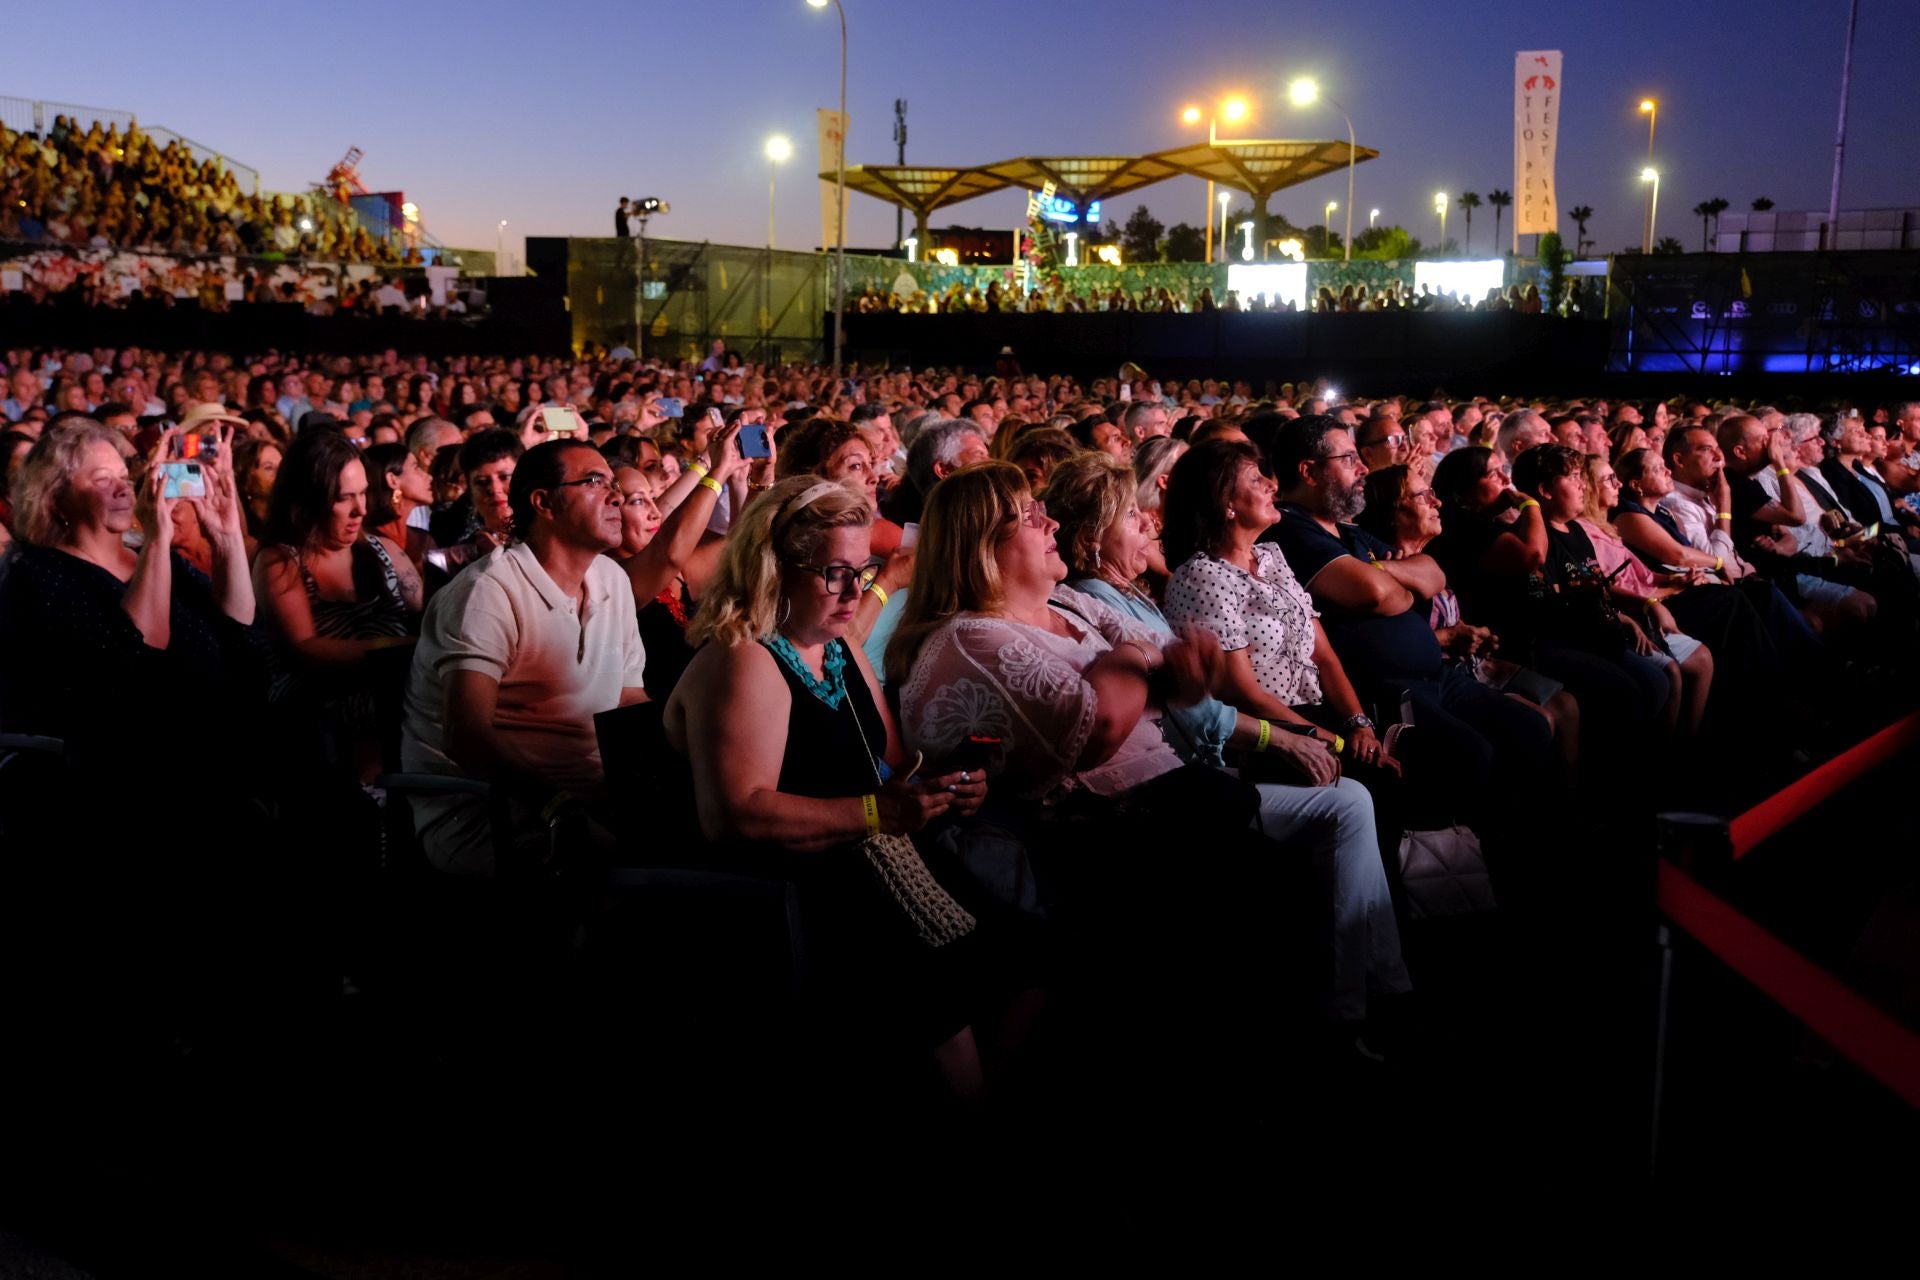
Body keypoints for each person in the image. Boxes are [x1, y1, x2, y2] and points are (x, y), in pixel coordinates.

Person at [664, 476, 1009, 1097]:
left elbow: (893, 761)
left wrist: (944, 784)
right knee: (925, 958)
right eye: (835, 574)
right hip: (781, 884)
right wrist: (878, 812)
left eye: (864, 570)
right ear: (775, 569)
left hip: (859, 852)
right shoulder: (745, 658)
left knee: (1009, 912)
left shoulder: (838, 642)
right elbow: (739, 816)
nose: (856, 592)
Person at [1041, 451, 1407, 1023]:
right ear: (1092, 537)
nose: (1150, 524)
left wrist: (1353, 724)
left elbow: (1318, 655)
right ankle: (1356, 996)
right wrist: (1302, 739)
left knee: (1364, 793)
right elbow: (1202, 708)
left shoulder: (1134, 591)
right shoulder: (1104, 599)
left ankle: (1376, 982)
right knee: (1355, 797)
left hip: (1211, 754)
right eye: (1134, 519)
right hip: (1184, 771)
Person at [1264, 416, 1554, 816]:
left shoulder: (1347, 534)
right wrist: (1386, 579)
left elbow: (1433, 574)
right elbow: (1375, 595)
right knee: (1474, 756)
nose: (1362, 468)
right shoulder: (1292, 531)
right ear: (1309, 471)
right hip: (1386, 690)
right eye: (1348, 459)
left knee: (1531, 728)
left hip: (1436, 677)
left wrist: (1378, 572)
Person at [401, 439, 647, 877]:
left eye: (613, 483)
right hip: (489, 810)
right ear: (544, 503)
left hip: (593, 795)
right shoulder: (488, 592)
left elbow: (628, 699)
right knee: (631, 874)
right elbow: (467, 736)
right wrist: (558, 803)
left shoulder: (612, 580)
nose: (616, 496)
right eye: (594, 482)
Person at [0, 420, 262, 767]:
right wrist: (156, 537)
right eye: (102, 480)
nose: (123, 489)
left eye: (124, 477)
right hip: (133, 767)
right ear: (56, 500)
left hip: (222, 745)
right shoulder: (37, 573)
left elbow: (239, 622)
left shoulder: (154, 558)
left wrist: (227, 534)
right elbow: (139, 662)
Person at [1160, 438, 1400, 773]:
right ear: (1226, 503)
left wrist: (1358, 724)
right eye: (1257, 480)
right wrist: (1339, 743)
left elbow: (1324, 656)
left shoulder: (1270, 556)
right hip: (1275, 734)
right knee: (1380, 780)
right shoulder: (1203, 577)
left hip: (1319, 715)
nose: (1273, 485)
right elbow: (1245, 694)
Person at [252, 431, 423, 779]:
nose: (361, 509)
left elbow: (427, 615)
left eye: (363, 493)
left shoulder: (381, 550)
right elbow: (306, 648)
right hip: (321, 719)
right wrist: (396, 649)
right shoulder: (280, 562)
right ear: (309, 498)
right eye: (345, 498)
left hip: (398, 704)